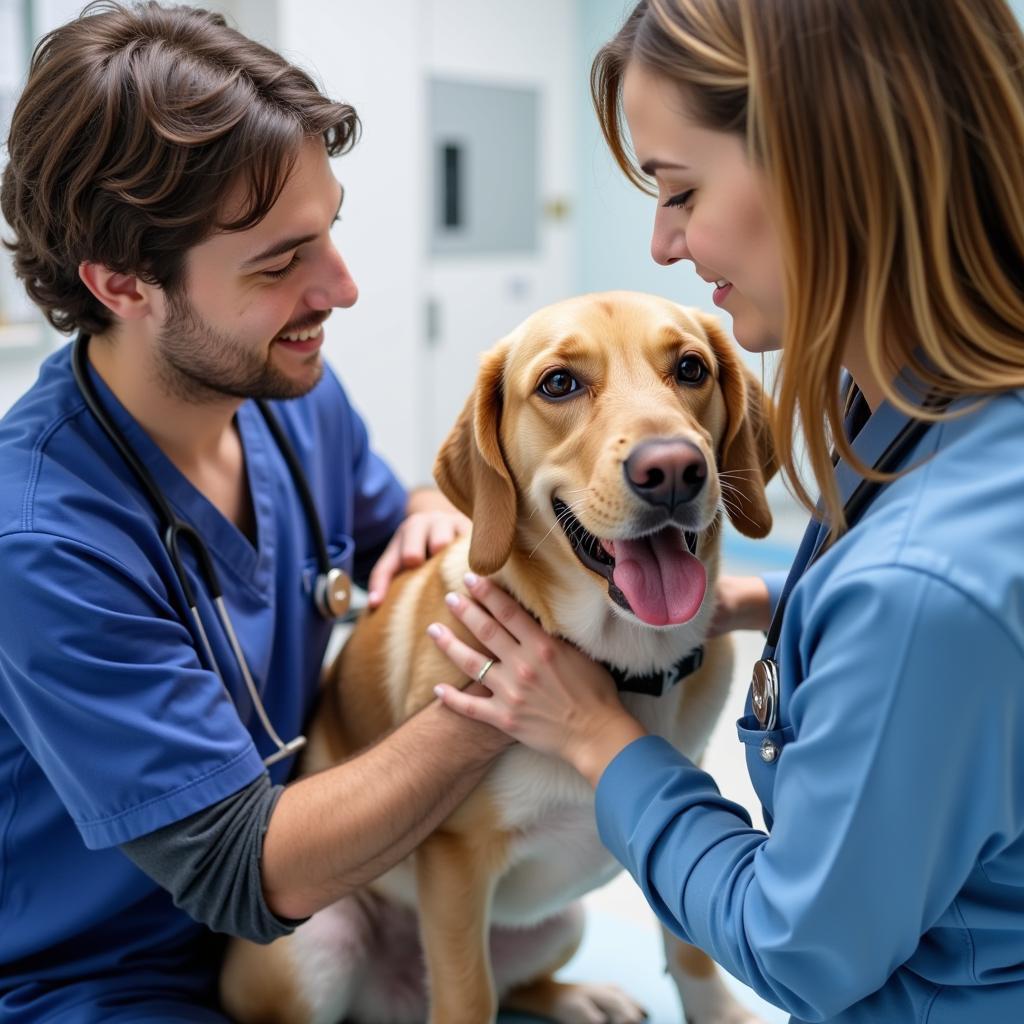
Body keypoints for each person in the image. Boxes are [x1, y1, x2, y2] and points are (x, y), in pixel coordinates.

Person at [431, 1, 1024, 1021]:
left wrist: (595, 736)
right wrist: (768, 598)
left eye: (680, 190)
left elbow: (805, 950)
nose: (662, 244)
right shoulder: (928, 415)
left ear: (829, 163)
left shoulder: (922, 588)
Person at [0, 3, 511, 1020]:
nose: (344, 288)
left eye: (327, 233)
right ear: (122, 284)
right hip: (101, 975)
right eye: (279, 263)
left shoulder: (291, 400)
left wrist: (427, 514)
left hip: (313, 918)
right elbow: (246, 866)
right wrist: (501, 695)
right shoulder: (42, 540)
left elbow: (385, 517)